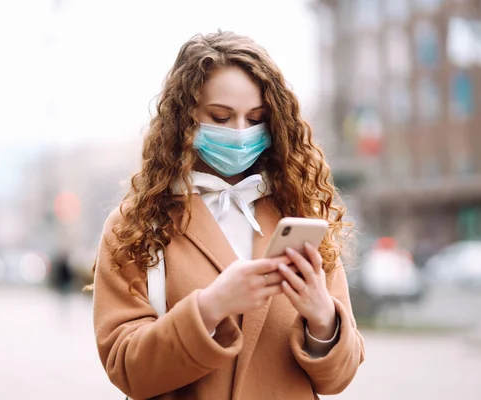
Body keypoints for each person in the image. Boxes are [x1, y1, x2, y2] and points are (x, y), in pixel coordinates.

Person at [92, 31, 365, 400]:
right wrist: (210, 307)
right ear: (185, 118)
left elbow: (337, 379)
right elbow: (126, 369)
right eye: (220, 117)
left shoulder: (300, 213)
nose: (241, 133)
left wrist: (323, 320)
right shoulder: (137, 224)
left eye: (256, 118)